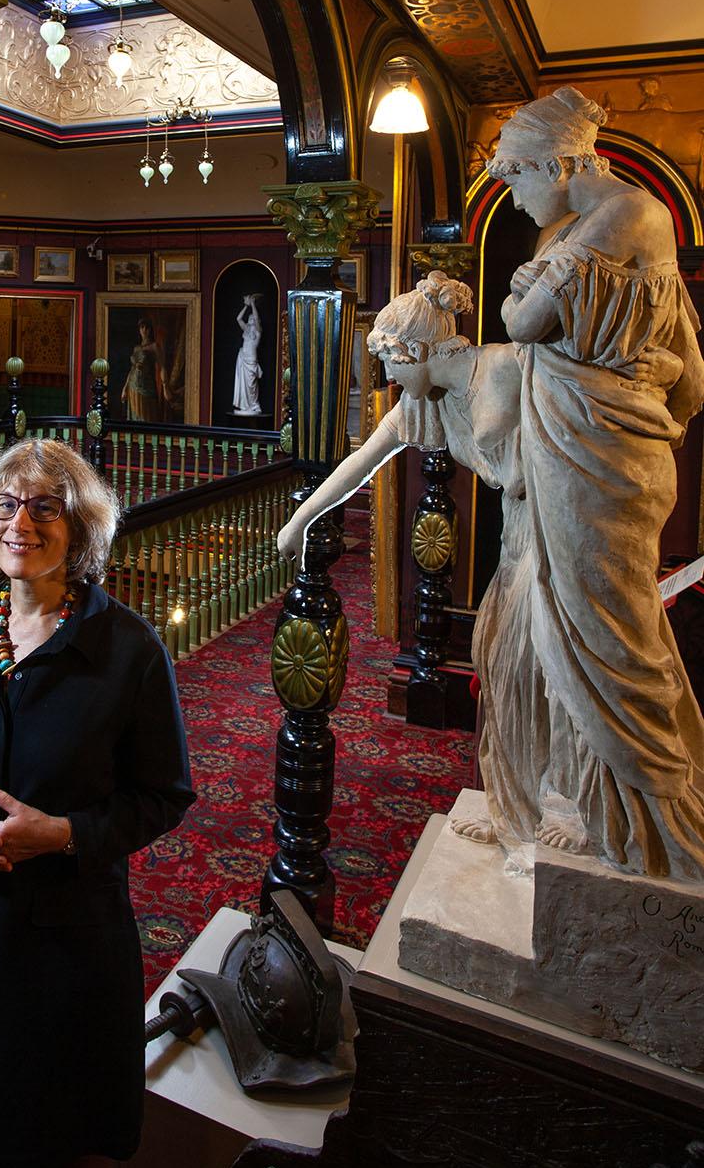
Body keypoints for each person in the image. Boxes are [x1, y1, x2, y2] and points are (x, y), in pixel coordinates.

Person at [0, 438, 195, 1168]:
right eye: (5, 504)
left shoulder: (129, 650)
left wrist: (62, 833)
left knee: (51, 1139)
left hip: (63, 942)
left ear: (81, 526)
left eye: (44, 507)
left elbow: (164, 795)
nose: (19, 523)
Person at [488, 86, 704, 879]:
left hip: (603, 463)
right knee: (576, 625)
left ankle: (661, 819)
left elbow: (522, 321)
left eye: (517, 177)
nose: (516, 199)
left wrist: (525, 293)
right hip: (579, 452)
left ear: (557, 163)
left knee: (612, 631)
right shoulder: (579, 229)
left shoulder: (630, 214)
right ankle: (600, 807)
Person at [278, 273, 542, 857]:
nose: (389, 378)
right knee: (497, 659)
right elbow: (361, 463)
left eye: (392, 364)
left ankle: (554, 808)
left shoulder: (505, 364)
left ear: (417, 351)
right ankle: (516, 805)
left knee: (531, 662)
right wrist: (301, 521)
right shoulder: (425, 404)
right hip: (520, 533)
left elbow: (579, 414)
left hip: (555, 529)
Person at [121, 316, 165, 422]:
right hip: (133, 386)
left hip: (147, 387)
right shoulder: (136, 348)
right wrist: (125, 388)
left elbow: (162, 367)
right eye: (142, 327)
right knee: (134, 419)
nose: (144, 330)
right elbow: (132, 370)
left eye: (147, 327)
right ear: (139, 330)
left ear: (150, 330)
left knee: (147, 418)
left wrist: (165, 386)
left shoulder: (155, 346)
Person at [232, 294, 263, 415]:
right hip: (243, 359)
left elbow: (256, 317)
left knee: (251, 386)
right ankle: (245, 406)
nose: (250, 322)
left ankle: (254, 405)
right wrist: (246, 306)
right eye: (249, 320)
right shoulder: (246, 331)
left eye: (252, 320)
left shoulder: (258, 333)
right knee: (243, 386)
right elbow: (238, 319)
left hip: (251, 361)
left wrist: (253, 304)